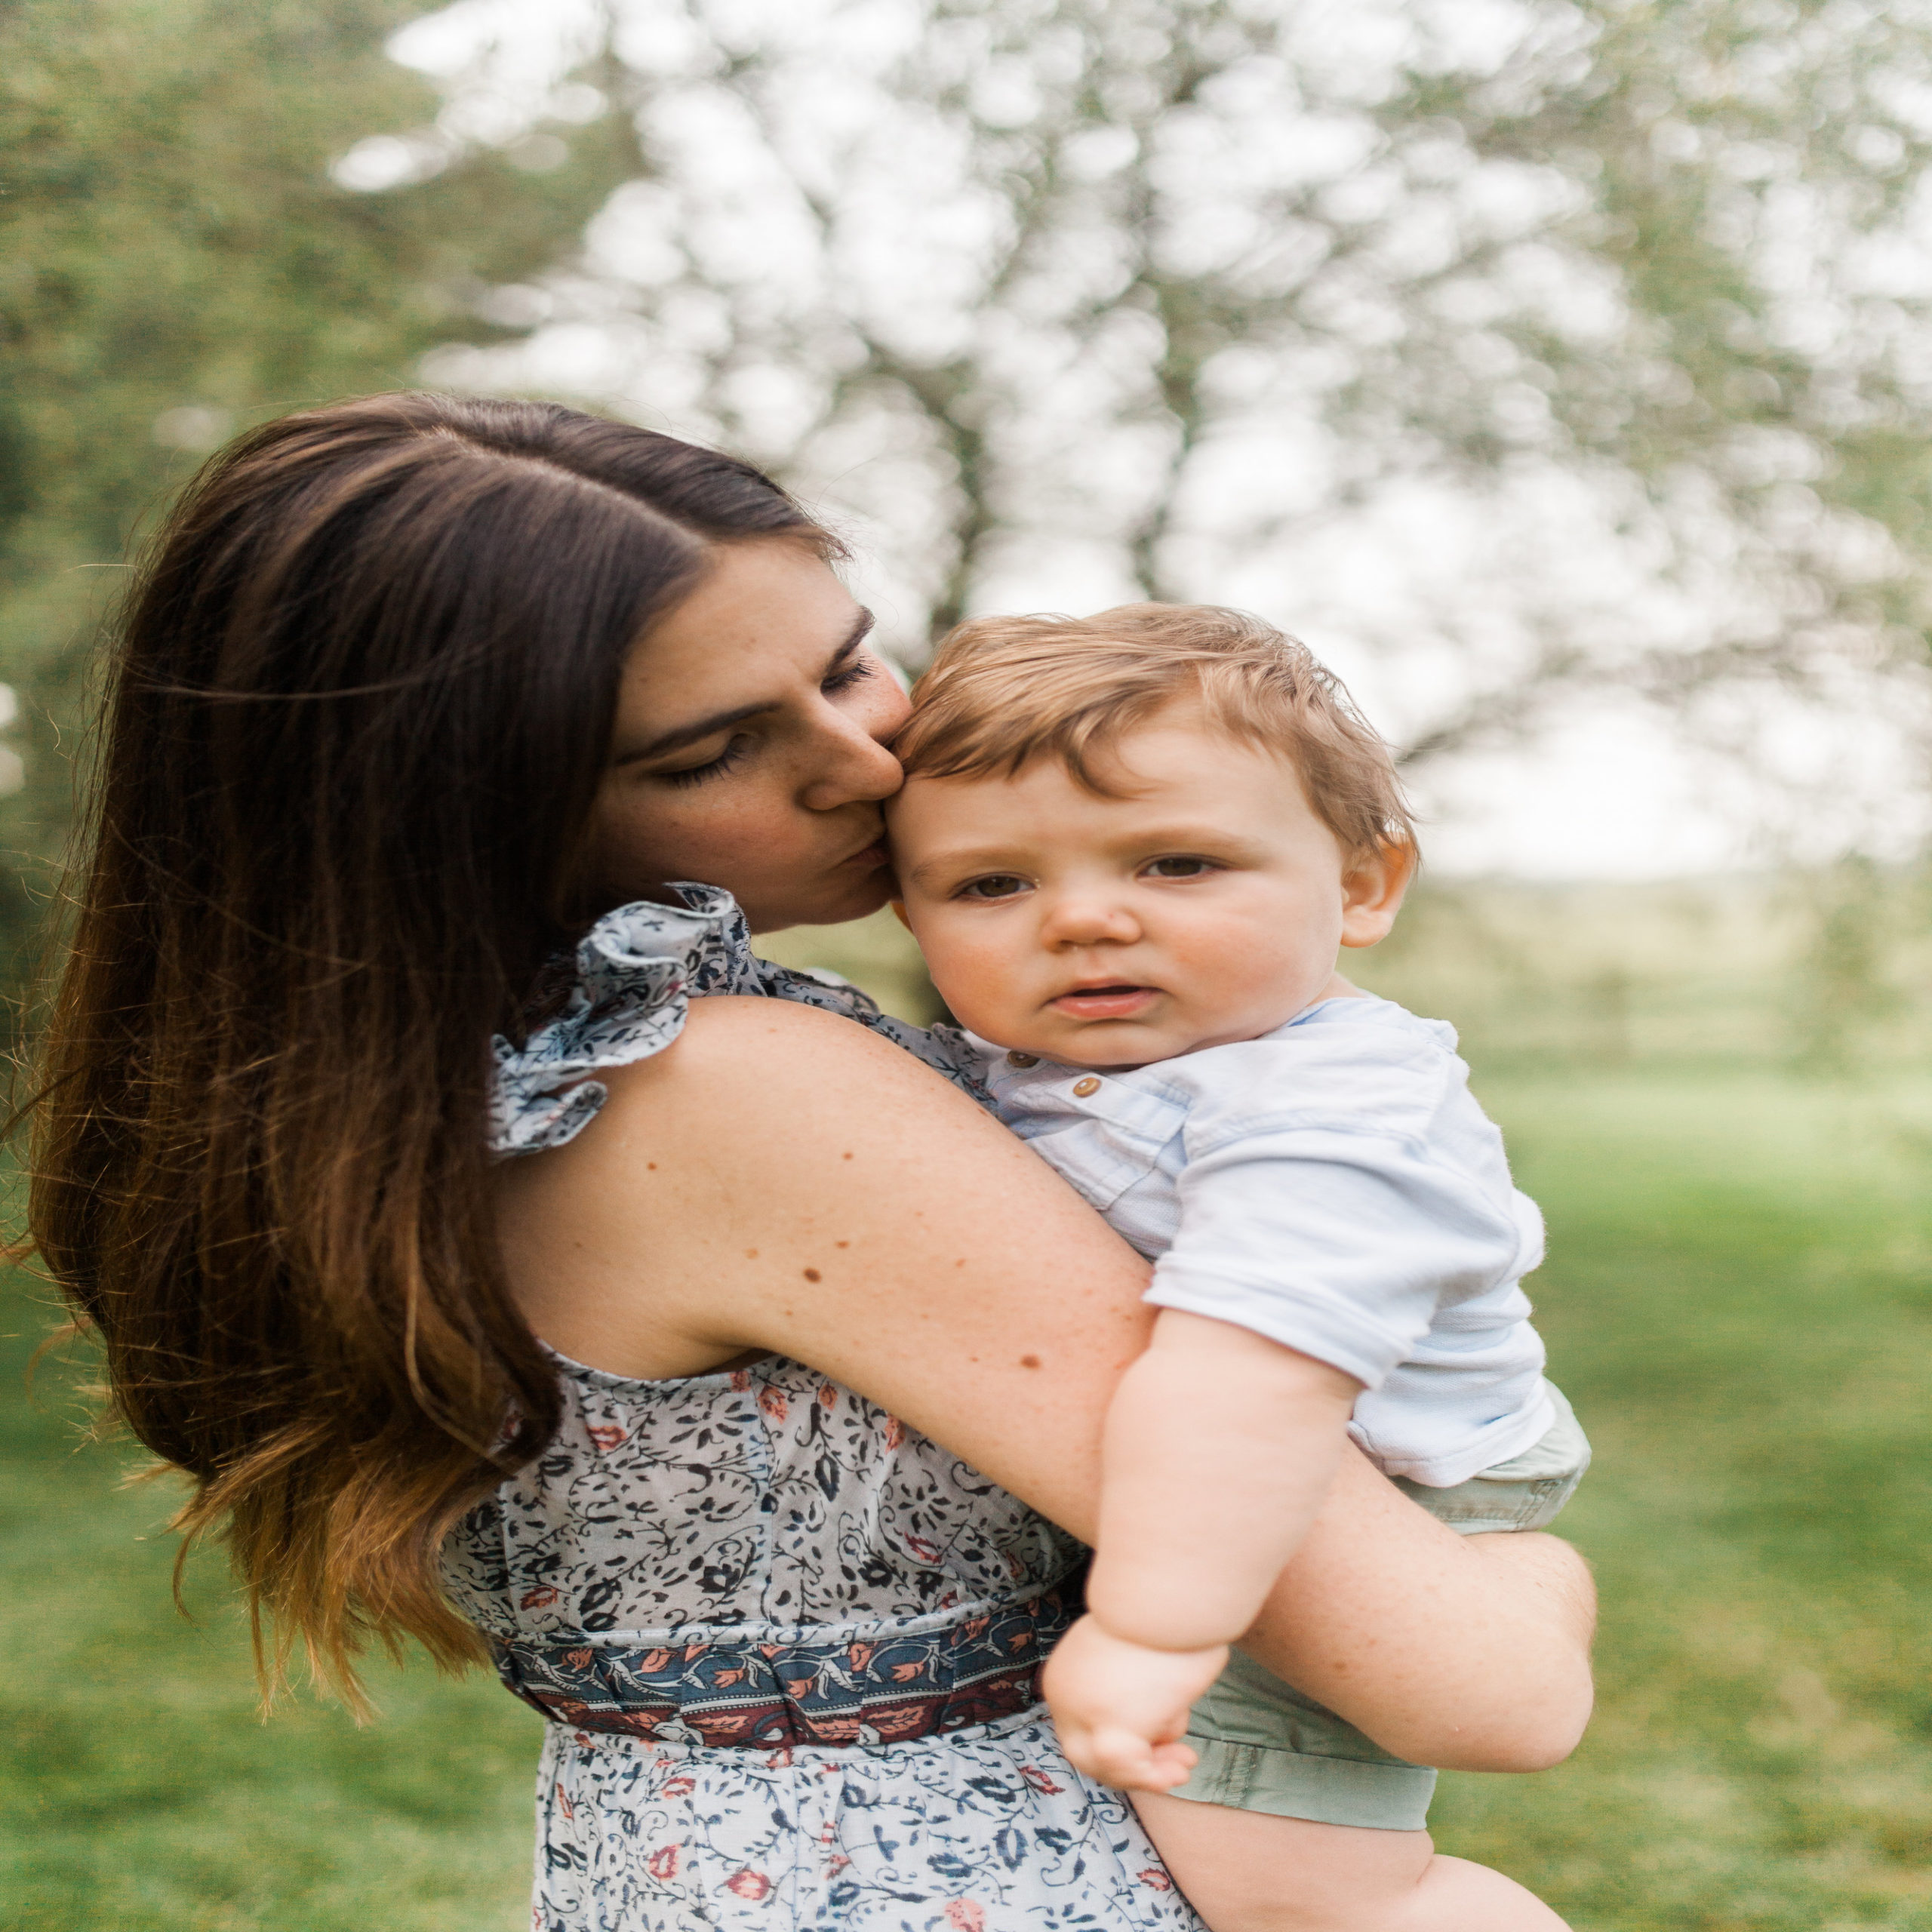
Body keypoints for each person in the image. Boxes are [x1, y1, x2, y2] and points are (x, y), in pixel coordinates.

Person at [25, 393, 1595, 1932]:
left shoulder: (405, 1110)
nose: (862, 761)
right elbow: (1485, 1683)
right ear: (477, 813)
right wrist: (1535, 1586)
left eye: (850, 660)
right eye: (718, 748)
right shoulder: (743, 1096)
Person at [884, 606, 1592, 1930]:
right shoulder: (1079, 1070)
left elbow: (1246, 1389)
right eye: (992, 885)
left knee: (1302, 1897)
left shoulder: (1330, 1113)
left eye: (1178, 862)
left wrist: (1156, 1630)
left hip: (1375, 1486)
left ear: (1366, 884)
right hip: (1208, 1501)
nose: (1085, 919)